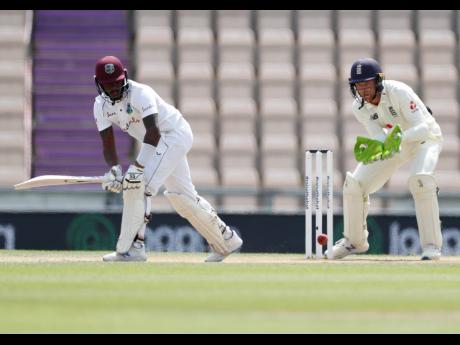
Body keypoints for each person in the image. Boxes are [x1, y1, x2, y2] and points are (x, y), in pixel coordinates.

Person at [92, 55, 243, 262]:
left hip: (174, 134)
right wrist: (115, 171)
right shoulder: (100, 106)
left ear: (125, 77)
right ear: (98, 84)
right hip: (162, 143)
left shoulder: (141, 93)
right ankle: (227, 239)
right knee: (182, 196)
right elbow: (108, 144)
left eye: (117, 83)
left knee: (138, 185)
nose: (114, 89)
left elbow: (154, 132)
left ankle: (133, 248)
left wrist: (136, 168)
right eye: (108, 85)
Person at [327, 57, 444, 260]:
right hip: (396, 143)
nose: (362, 89)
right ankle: (354, 242)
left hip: (425, 139)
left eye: (366, 83)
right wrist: (376, 147)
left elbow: (424, 126)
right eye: (357, 85)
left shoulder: (398, 91)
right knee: (355, 184)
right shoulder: (359, 107)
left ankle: (431, 246)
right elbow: (380, 137)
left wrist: (397, 140)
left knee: (421, 180)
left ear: (378, 81)